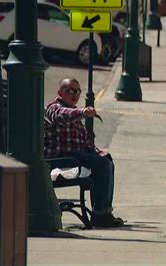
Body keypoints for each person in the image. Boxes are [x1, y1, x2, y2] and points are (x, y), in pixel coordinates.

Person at [44, 78, 124, 228]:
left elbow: (84, 142)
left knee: (106, 161)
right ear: (60, 92)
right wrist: (82, 112)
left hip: (75, 156)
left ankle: (101, 211)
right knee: (102, 164)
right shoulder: (53, 108)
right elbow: (61, 115)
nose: (75, 95)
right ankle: (101, 214)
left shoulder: (74, 113)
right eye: (70, 91)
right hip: (61, 158)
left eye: (78, 91)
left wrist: (98, 152)